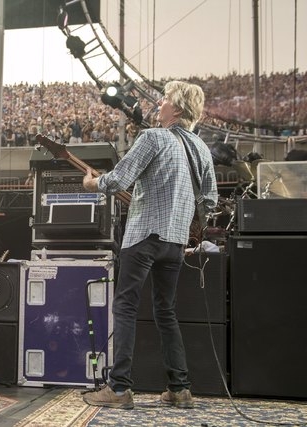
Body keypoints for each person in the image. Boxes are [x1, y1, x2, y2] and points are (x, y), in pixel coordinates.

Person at [81, 81, 218, 409]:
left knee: (125, 307)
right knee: (166, 311)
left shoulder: (153, 137)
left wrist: (92, 183)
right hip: (175, 243)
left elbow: (118, 179)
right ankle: (180, 389)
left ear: (178, 109)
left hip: (143, 236)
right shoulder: (201, 148)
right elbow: (210, 199)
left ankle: (118, 389)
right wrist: (186, 224)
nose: (159, 104)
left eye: (165, 99)